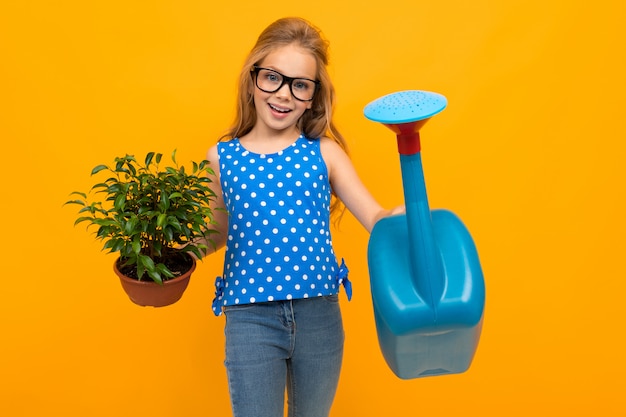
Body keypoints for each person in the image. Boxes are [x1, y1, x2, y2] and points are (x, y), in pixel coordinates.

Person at [202, 17, 404, 417]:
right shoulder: (221, 158)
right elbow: (217, 231)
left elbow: (374, 215)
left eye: (300, 84)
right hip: (250, 320)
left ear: (313, 96)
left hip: (319, 316)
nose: (284, 94)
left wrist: (398, 216)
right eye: (273, 78)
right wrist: (173, 259)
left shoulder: (323, 153)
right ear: (252, 79)